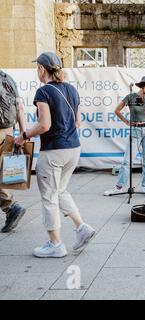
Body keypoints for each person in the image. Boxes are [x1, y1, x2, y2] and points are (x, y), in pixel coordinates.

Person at [14, 52, 95, 258]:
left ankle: (55, 244)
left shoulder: (43, 92)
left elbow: (44, 125)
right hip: (73, 149)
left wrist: (23, 136)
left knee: (49, 197)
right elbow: (77, 122)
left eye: (37, 68)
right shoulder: (71, 89)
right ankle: (82, 228)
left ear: (42, 69)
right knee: (60, 192)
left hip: (54, 151)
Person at [104, 76, 145, 196]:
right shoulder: (130, 97)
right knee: (127, 161)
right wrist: (126, 121)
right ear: (143, 85)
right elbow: (117, 110)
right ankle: (119, 187)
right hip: (135, 131)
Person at [0, 70, 27, 233]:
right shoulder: (7, 78)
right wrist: (23, 134)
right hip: (8, 129)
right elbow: (20, 108)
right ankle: (10, 208)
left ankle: (11, 207)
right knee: (2, 171)